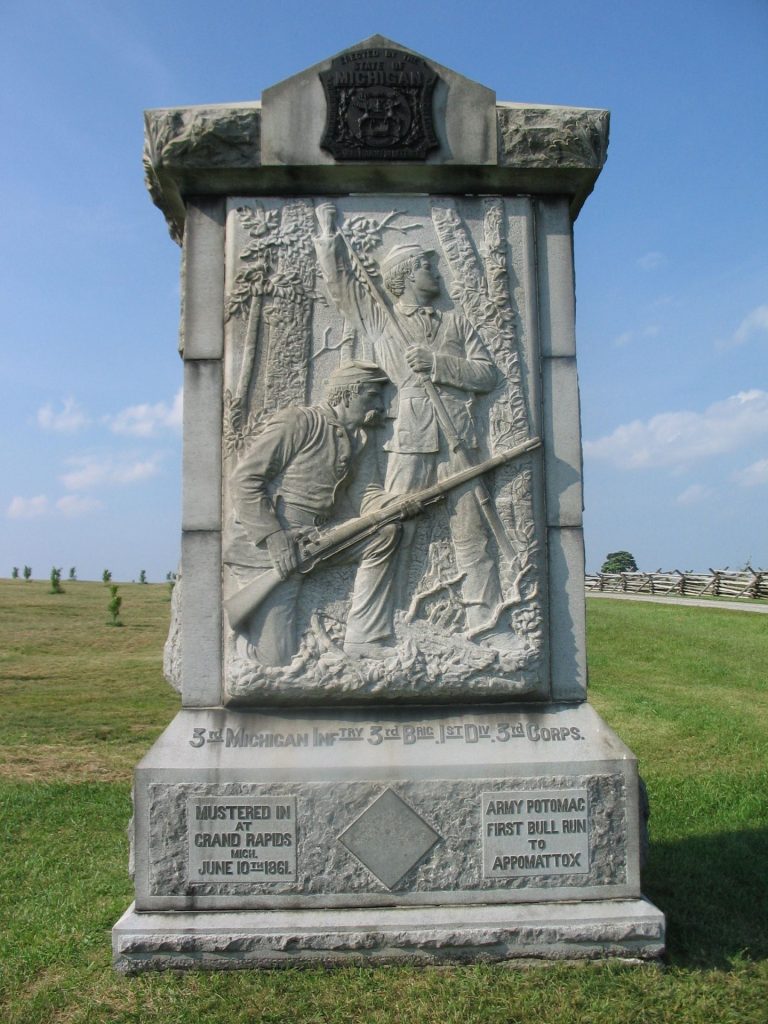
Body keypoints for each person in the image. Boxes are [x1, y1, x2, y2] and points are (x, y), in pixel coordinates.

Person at [314, 202, 518, 655]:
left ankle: (485, 621)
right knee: (390, 527)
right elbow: (341, 289)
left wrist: (439, 365)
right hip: (410, 437)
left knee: (472, 528)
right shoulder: (382, 321)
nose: (438, 275)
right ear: (406, 275)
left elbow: (488, 375)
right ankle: (368, 632)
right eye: (429, 267)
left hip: (460, 437)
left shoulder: (456, 321)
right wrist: (328, 233)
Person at [223, 360, 401, 666]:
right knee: (275, 659)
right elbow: (245, 479)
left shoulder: (361, 438)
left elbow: (366, 496)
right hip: (271, 546)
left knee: (385, 532)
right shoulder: (299, 421)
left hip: (318, 537)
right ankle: (240, 645)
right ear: (348, 394)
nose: (380, 407)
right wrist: (274, 536)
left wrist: (392, 506)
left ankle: (363, 637)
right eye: (373, 396)